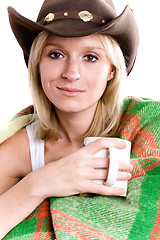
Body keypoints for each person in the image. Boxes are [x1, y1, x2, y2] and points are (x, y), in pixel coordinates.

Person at [0, 0, 139, 238]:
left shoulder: (146, 129)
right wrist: (39, 183)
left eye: (91, 57)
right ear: (37, 65)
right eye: (56, 54)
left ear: (112, 70)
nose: (71, 73)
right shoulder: (17, 151)